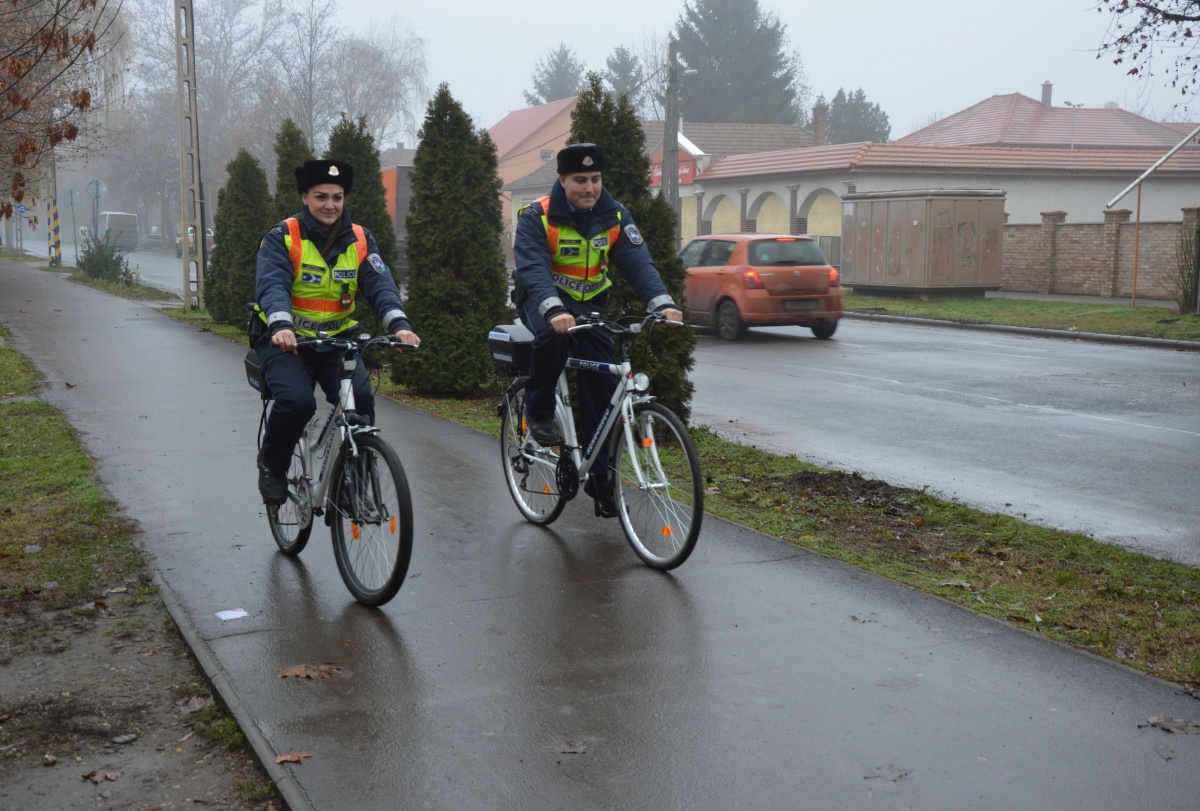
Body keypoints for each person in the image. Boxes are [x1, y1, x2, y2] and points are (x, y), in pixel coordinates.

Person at [512, 142, 683, 518]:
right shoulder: (538, 216)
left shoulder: (615, 215)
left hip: (590, 305)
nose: (589, 187)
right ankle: (539, 410)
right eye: (580, 180)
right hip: (543, 301)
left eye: (595, 179)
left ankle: (601, 479)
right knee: (553, 337)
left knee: (603, 389)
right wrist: (554, 308)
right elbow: (534, 269)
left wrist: (662, 304)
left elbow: (638, 263)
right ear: (562, 180)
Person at [252, 159, 420, 505]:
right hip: (286, 342)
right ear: (305, 197)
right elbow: (272, 284)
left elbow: (381, 286)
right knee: (297, 403)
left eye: (337, 197)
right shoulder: (283, 236)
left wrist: (399, 325)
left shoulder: (361, 239)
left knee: (361, 400)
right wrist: (281, 325)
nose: (330, 205)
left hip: (336, 342)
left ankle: (354, 485)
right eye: (321, 197)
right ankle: (272, 465)